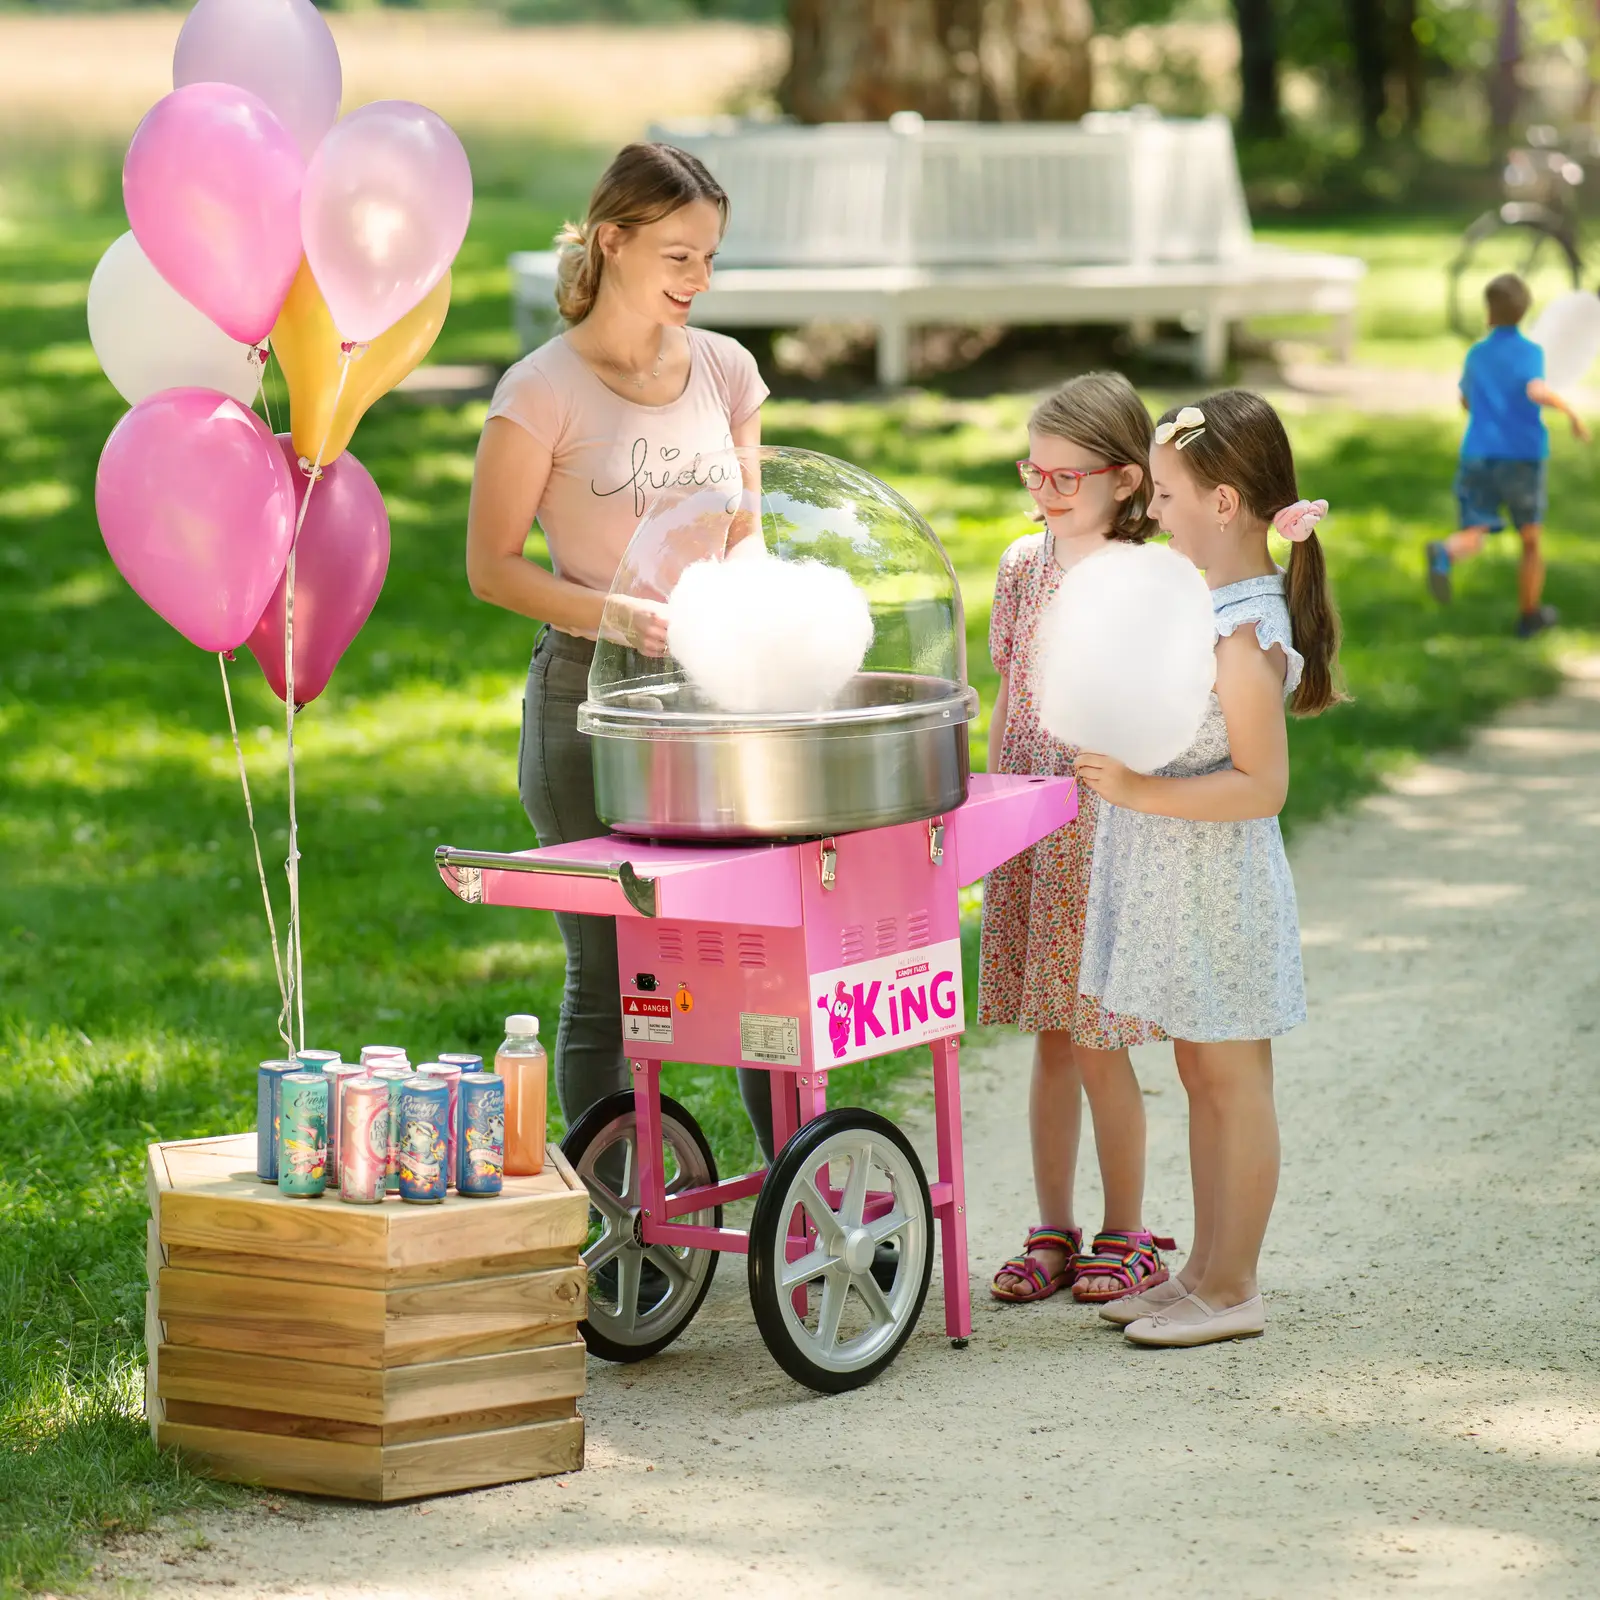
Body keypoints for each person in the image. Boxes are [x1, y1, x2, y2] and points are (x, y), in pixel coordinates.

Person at [465, 143, 777, 1157]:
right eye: (680, 256)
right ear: (613, 240)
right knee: (606, 983)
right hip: (584, 705)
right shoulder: (539, 390)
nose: (699, 279)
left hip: (709, 700)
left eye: (710, 259)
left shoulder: (726, 371)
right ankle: (623, 1215)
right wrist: (619, 617)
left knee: (746, 959)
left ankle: (796, 1198)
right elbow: (492, 571)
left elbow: (748, 534)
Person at [1074, 389, 1344, 1349]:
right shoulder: (1203, 602)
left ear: (1224, 503)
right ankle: (1201, 1266)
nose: (1155, 512)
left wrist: (1141, 790)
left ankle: (1235, 1286)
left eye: (1172, 494)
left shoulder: (1246, 629)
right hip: (1180, 877)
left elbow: (1261, 785)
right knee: (1201, 1073)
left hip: (1216, 883)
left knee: (1233, 1080)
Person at [981, 372, 1174, 1309]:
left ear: (1127, 480)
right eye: (1034, 472)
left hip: (1109, 838)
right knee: (1052, 1040)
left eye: (1067, 478)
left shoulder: (1150, 579)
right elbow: (1010, 701)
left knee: (1101, 1039)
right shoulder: (1023, 567)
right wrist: (991, 809)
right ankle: (1051, 1226)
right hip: (1033, 829)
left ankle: (1127, 1231)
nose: (1045, 492)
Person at [1425, 271, 1589, 638]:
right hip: (1522, 457)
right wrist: (1571, 413)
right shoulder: (1531, 353)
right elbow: (1535, 389)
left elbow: (1466, 400)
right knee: (1530, 538)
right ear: (1524, 311)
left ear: (1489, 313)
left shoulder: (1477, 353)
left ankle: (1445, 553)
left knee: (1475, 530)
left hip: (1479, 454)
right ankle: (1529, 616)